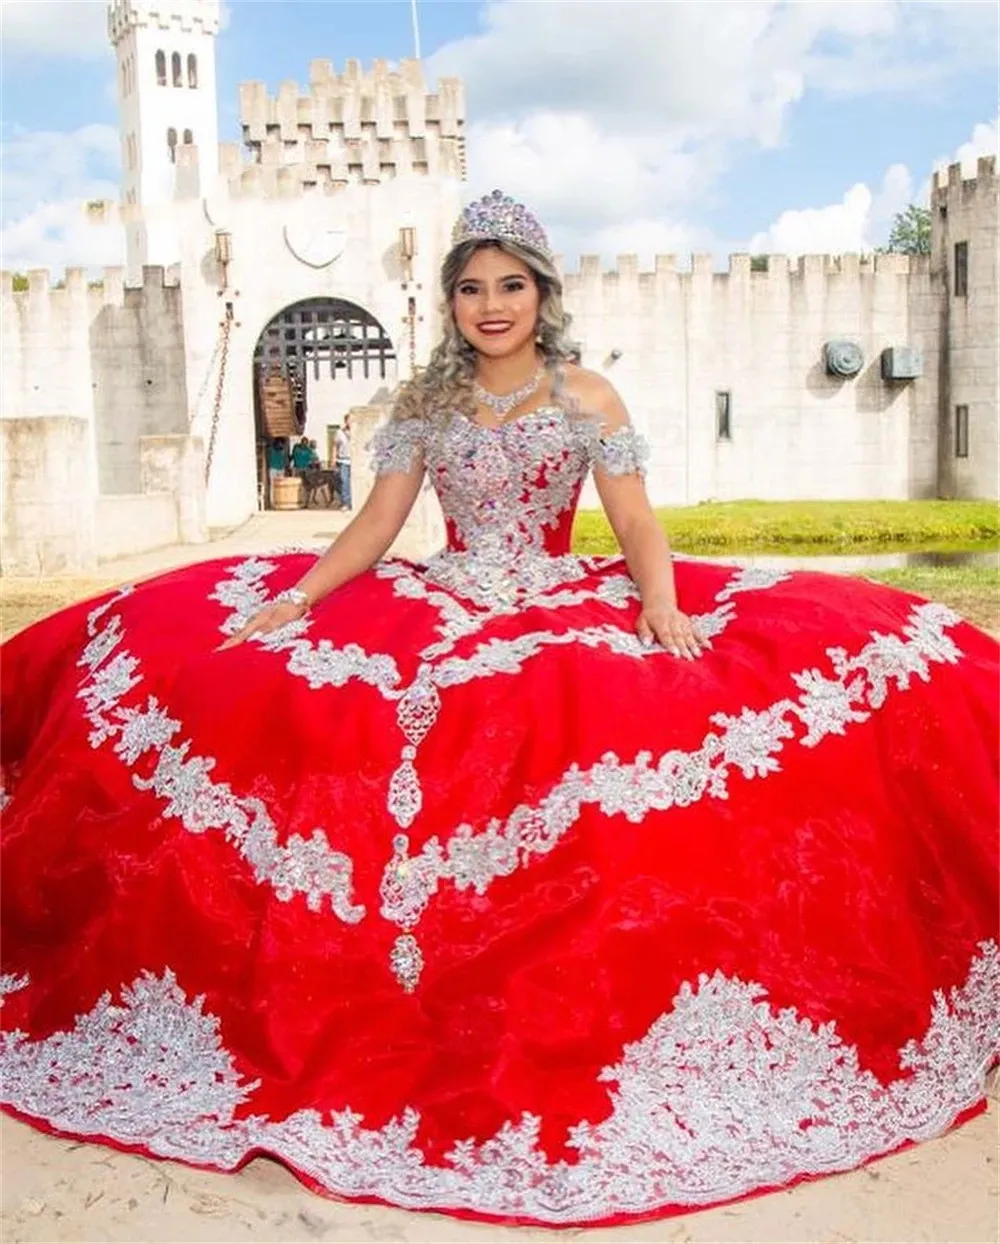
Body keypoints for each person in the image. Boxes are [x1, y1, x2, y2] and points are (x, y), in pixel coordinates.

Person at [0, 190, 997, 1230]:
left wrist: (658, 603)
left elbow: (635, 519)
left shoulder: (589, 397)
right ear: (450, 302)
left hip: (563, 595)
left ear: (541, 292)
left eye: (508, 285)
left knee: (673, 722)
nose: (490, 304)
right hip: (444, 591)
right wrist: (295, 598)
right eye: (471, 288)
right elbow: (379, 524)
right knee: (290, 709)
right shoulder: (424, 405)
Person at [333, 417, 351, 509]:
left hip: (354, 461)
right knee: (344, 481)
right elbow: (335, 446)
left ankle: (351, 502)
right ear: (345, 421)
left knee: (352, 483)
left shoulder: (357, 431)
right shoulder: (339, 433)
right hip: (343, 460)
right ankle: (346, 503)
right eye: (349, 420)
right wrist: (333, 460)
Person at [265, 436, 287, 505]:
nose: (281, 445)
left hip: (281, 469)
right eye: (279, 443)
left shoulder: (283, 450)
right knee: (273, 485)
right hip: (273, 469)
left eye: (282, 443)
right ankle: (272, 502)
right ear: (276, 443)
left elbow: (284, 460)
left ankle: (280, 500)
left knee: (281, 485)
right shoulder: (271, 449)